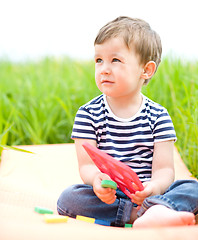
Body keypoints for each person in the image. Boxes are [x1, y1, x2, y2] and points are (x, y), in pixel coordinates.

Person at [57, 16, 198, 228]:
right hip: (112, 196)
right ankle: (140, 216)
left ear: (146, 70)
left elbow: (164, 170)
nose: (104, 68)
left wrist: (154, 188)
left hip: (149, 192)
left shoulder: (158, 116)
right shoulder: (87, 114)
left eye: (115, 60)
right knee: (69, 198)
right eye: (99, 60)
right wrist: (97, 181)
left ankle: (156, 209)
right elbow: (86, 165)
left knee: (192, 188)